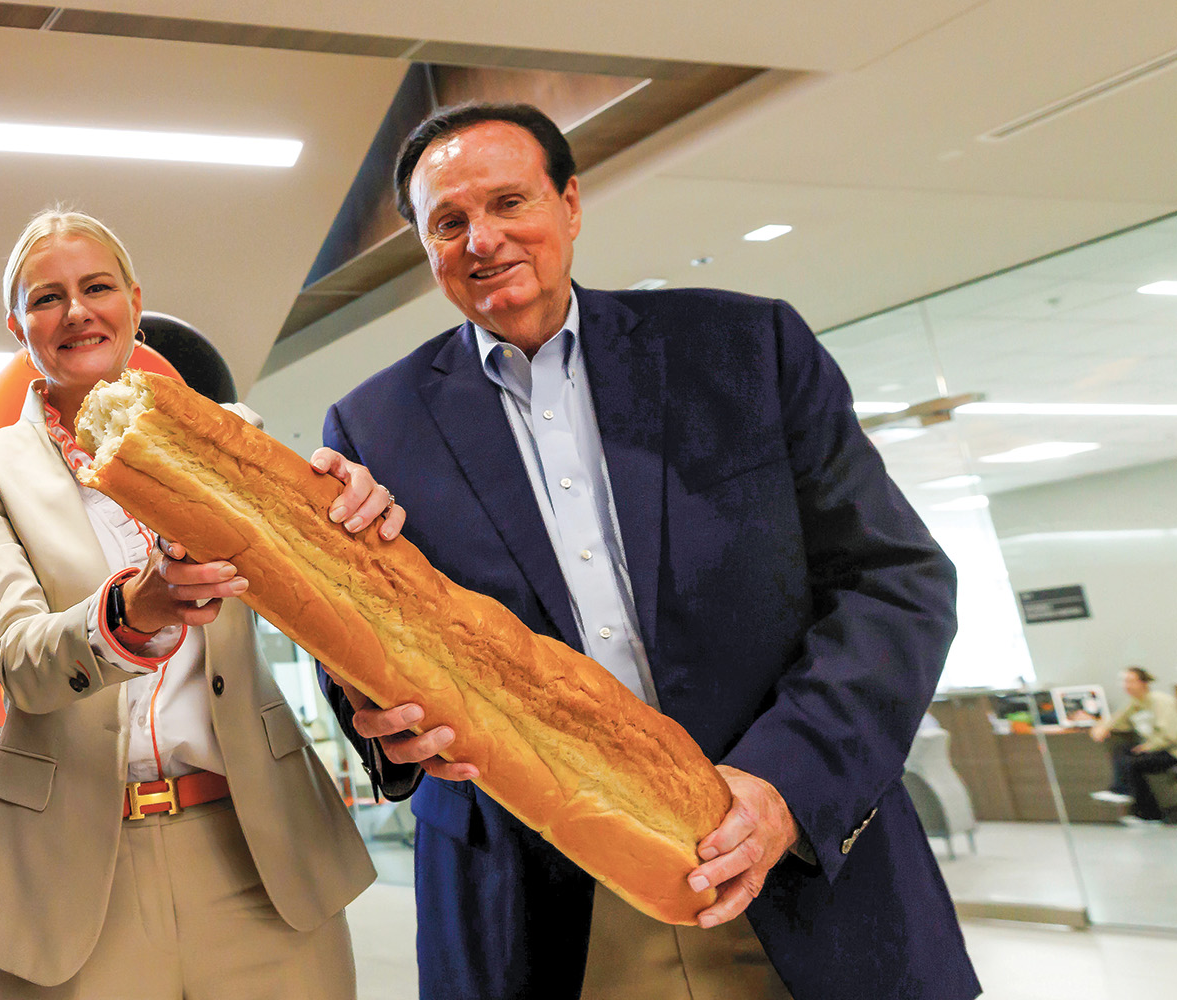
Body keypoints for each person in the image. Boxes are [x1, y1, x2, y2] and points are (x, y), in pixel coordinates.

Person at [320, 103, 977, 999]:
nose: (484, 239)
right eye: (449, 222)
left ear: (571, 204)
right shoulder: (374, 426)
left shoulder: (745, 348)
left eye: (510, 201)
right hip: (540, 907)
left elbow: (894, 582)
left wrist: (783, 787)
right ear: (426, 250)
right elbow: (367, 641)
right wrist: (378, 712)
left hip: (798, 868)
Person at [0, 210, 396, 998]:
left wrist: (350, 514)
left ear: (135, 302)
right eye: (47, 298)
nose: (76, 311)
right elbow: (19, 663)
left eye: (97, 287)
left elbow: (324, 597)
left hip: (259, 851)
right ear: (18, 326)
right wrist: (132, 610)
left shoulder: (230, 435)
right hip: (70, 868)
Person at [1089, 666, 1177, 823]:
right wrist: (1102, 727)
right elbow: (1117, 720)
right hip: (1155, 748)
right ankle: (1120, 791)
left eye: (1130, 681)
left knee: (1133, 764)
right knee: (1122, 750)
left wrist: (1149, 747)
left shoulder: (1159, 700)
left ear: (1143, 683)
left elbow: (1171, 734)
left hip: (1171, 751)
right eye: (1124, 681)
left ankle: (1148, 813)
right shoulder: (1135, 703)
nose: (1126, 685)